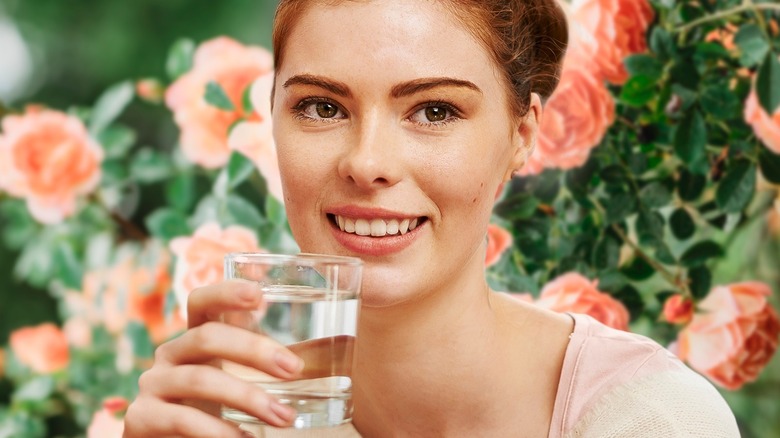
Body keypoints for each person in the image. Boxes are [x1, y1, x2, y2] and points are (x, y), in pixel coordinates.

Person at [123, 0, 740, 437]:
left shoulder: (651, 419)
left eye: (435, 111)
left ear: (522, 134)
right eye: (320, 106)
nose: (367, 163)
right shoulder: (232, 408)